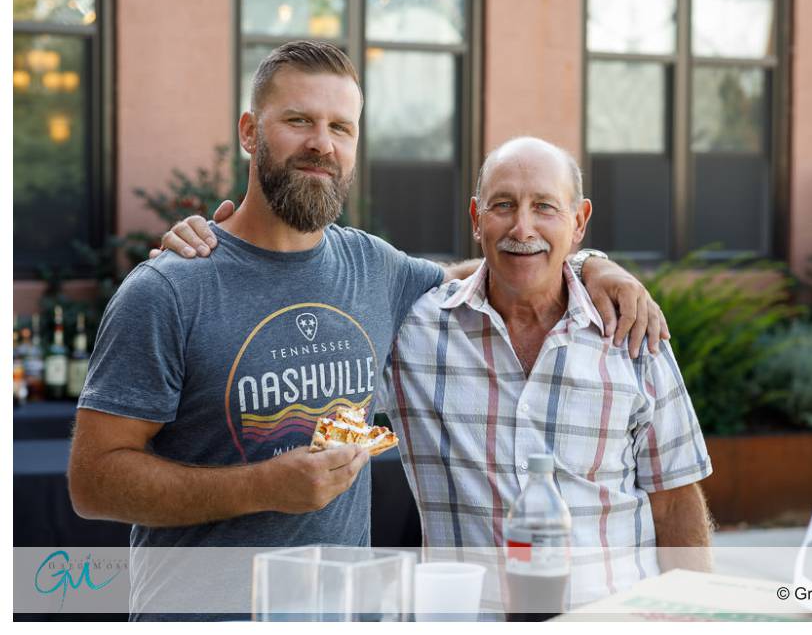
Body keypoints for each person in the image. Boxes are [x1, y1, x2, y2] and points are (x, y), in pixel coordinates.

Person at [68, 41, 667, 619]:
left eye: (341, 127)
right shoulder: (168, 290)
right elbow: (92, 483)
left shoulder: (374, 268)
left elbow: (491, 273)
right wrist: (261, 488)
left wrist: (590, 265)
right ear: (250, 132)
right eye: (298, 121)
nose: (321, 143)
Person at [164, 136, 713, 611]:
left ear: (579, 221)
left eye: (545, 207)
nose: (522, 227)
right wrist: (220, 257)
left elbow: (675, 500)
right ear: (476, 219)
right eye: (503, 205)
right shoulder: (414, 327)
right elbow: (298, 309)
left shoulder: (631, 332)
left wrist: (692, 615)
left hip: (610, 617)